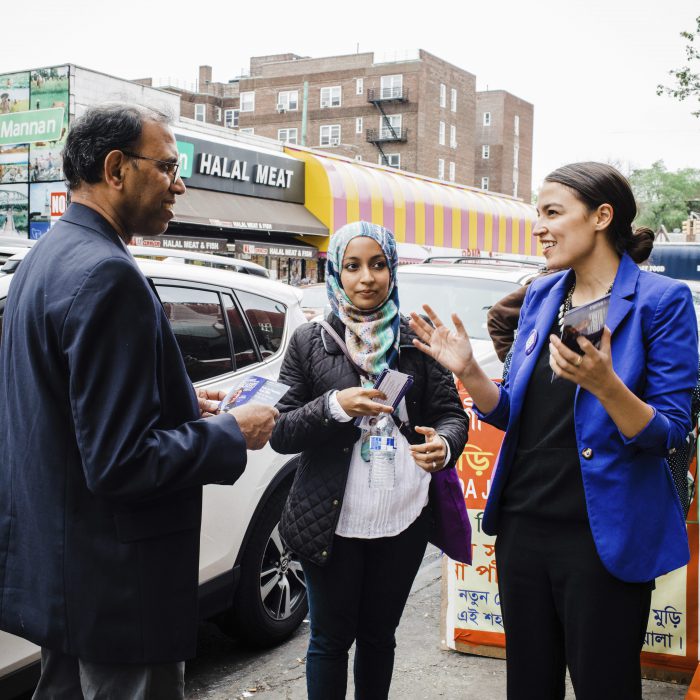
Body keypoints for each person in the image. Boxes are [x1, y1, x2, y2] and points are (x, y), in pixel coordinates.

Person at [0, 104, 278, 700]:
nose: (180, 184)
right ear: (116, 168)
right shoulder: (107, 275)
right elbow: (121, 461)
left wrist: (179, 406)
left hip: (68, 580)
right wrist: (233, 430)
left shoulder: (43, 260)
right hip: (121, 594)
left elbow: (64, 414)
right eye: (169, 167)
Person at [409, 162, 699, 700]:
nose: (538, 227)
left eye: (551, 212)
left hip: (603, 535)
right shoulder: (543, 295)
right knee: (529, 685)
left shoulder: (663, 302)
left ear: (601, 216)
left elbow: (672, 433)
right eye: (536, 214)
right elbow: (513, 412)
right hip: (523, 525)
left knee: (604, 686)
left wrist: (607, 385)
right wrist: (469, 371)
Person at [270, 221, 469, 700]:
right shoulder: (309, 341)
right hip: (329, 524)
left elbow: (451, 415)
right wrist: (336, 405)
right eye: (352, 266)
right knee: (330, 641)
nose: (366, 278)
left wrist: (444, 444)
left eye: (378, 265)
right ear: (336, 272)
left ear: (392, 269)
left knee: (379, 637)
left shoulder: (415, 340)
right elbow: (280, 429)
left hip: (403, 519)